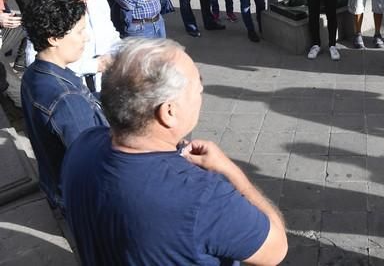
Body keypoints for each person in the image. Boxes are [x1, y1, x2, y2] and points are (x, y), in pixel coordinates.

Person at [61, 38, 288, 265]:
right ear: (168, 112)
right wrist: (231, 170)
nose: (201, 95)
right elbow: (276, 249)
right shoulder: (203, 198)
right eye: (198, 89)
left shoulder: (82, 146)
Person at [21, 0, 107, 211]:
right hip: (84, 201)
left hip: (57, 185)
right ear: (54, 38)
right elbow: (94, 162)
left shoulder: (34, 73)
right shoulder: (66, 99)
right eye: (80, 31)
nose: (86, 37)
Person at [25, 0, 120, 92]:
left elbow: (110, 32)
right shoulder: (48, 8)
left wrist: (120, 53)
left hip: (104, 82)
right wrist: (93, 66)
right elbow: (36, 59)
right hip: (70, 86)